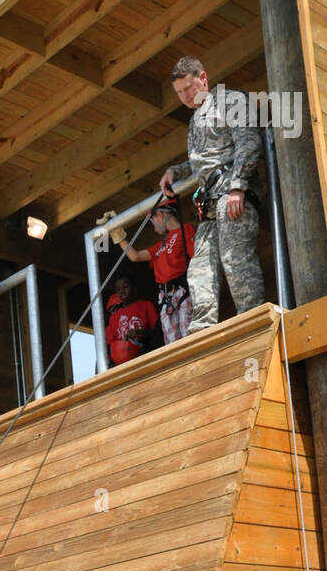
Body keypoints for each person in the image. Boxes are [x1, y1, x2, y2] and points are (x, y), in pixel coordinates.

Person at [160, 57, 265, 333]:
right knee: (199, 270)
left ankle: (253, 325)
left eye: (189, 88)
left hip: (232, 193)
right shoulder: (194, 121)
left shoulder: (228, 101)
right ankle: (201, 332)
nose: (185, 96)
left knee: (235, 260)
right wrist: (175, 170)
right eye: (180, 93)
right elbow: (201, 163)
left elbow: (248, 140)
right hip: (209, 203)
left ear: (203, 78)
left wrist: (238, 185)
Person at [112, 195, 197, 344]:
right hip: (166, 297)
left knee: (188, 335)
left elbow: (197, 259)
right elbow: (135, 256)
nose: (153, 227)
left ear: (161, 214)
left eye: (152, 221)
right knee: (172, 343)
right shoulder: (160, 245)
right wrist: (117, 234)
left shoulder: (186, 230)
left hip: (183, 291)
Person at [104, 275, 158, 366]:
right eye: (118, 289)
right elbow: (110, 345)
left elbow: (158, 332)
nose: (122, 292)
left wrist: (140, 332)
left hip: (145, 356)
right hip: (122, 362)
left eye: (126, 287)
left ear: (134, 288)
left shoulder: (146, 305)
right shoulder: (114, 317)